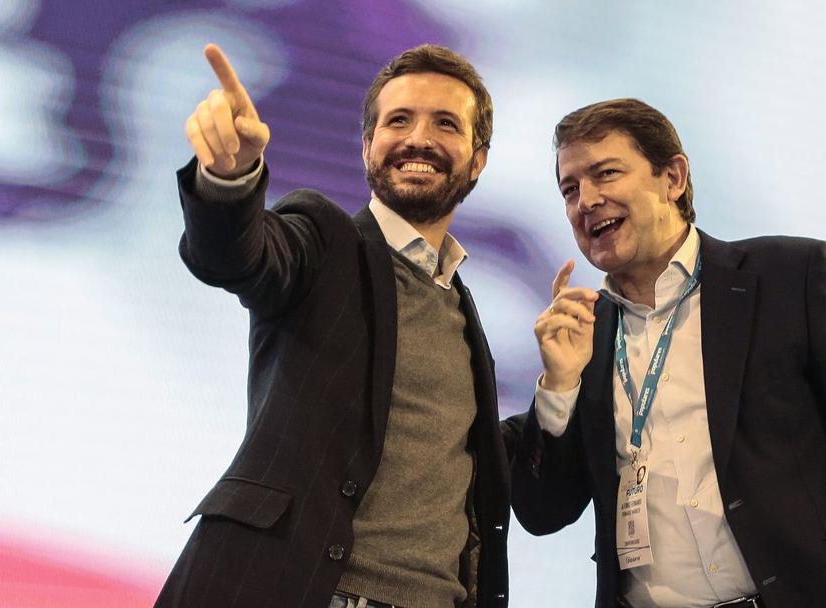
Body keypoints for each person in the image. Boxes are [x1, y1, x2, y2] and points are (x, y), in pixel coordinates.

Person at [155, 43, 516, 608]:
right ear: (368, 146)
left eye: (445, 123)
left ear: (477, 159)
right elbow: (239, 256)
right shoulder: (323, 239)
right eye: (399, 120)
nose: (419, 137)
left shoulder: (463, 314)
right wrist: (230, 180)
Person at [511, 98, 826, 608]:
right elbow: (543, 512)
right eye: (569, 189)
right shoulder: (584, 338)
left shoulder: (792, 276)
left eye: (605, 173)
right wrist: (558, 388)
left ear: (673, 177)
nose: (585, 200)